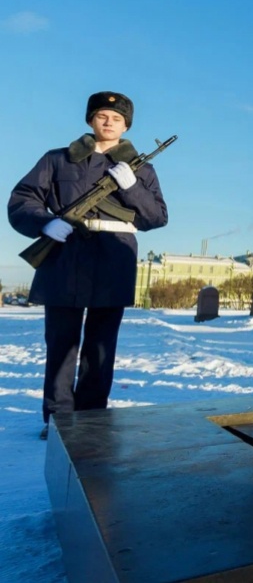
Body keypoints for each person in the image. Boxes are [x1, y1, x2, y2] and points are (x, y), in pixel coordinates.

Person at [7, 92, 168, 440]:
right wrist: (45, 223)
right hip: (64, 256)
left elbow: (156, 217)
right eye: (102, 115)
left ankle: (92, 419)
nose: (109, 122)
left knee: (101, 346)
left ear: (126, 126)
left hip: (113, 261)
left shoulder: (142, 169)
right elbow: (22, 200)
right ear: (91, 119)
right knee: (61, 344)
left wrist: (133, 188)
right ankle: (59, 419)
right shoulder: (57, 159)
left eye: (117, 118)